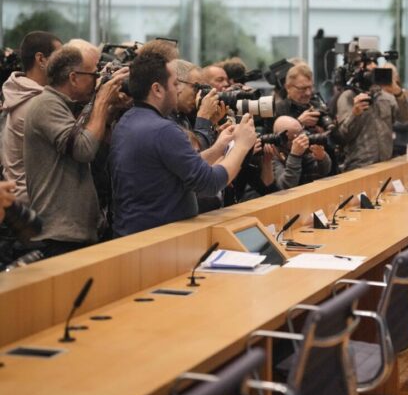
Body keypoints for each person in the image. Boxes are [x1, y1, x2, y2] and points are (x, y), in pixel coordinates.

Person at [109, 50, 260, 236]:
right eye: (174, 84)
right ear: (157, 89)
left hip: (135, 235)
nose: (178, 90)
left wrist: (218, 148)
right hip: (158, 241)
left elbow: (178, 168)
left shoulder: (127, 120)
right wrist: (241, 146)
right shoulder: (163, 130)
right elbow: (209, 183)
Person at [24, 45, 124, 257]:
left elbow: (94, 145)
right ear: (73, 77)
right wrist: (101, 101)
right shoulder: (45, 105)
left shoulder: (63, 105)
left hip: (73, 231)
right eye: (93, 74)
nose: (96, 81)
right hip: (58, 235)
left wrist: (111, 110)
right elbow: (83, 150)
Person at [1, 31, 62, 204]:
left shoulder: (18, 92)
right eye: (59, 58)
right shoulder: (39, 103)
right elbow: (81, 147)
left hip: (18, 196)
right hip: (34, 204)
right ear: (41, 59)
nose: (65, 66)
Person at [335, 65, 408, 171]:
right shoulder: (347, 97)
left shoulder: (386, 98)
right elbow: (342, 135)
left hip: (385, 165)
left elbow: (406, 117)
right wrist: (355, 114)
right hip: (359, 167)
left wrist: (398, 93)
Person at [174, 59, 226, 150]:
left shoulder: (181, 115)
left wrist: (212, 126)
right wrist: (204, 117)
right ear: (176, 84)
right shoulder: (164, 118)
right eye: (196, 87)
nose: (198, 94)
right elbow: (193, 155)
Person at [271, 116, 331, 190]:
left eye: (301, 132)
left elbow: (323, 171)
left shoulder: (305, 146)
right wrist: (295, 155)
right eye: (295, 137)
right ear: (281, 139)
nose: (302, 137)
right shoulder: (273, 154)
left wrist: (322, 158)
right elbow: (285, 186)